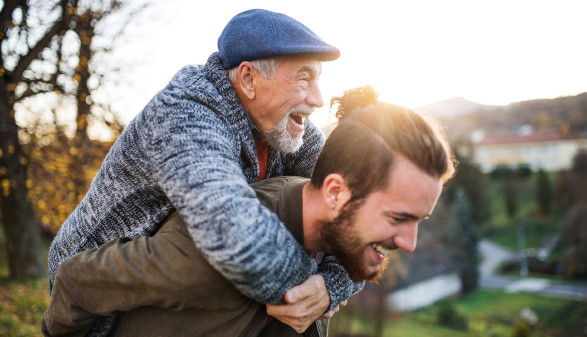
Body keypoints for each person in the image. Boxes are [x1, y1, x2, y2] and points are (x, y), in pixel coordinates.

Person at [43, 86, 456, 337]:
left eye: (419, 220)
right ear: (335, 192)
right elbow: (77, 282)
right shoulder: (217, 252)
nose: (410, 243)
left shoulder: (333, 239)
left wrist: (332, 287)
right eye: (398, 218)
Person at [47, 8, 358, 336]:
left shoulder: (294, 129)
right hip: (99, 294)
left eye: (318, 79)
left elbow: (357, 215)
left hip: (190, 275)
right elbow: (235, 234)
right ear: (248, 78)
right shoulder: (185, 114)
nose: (319, 99)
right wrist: (311, 289)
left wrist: (330, 286)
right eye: (304, 77)